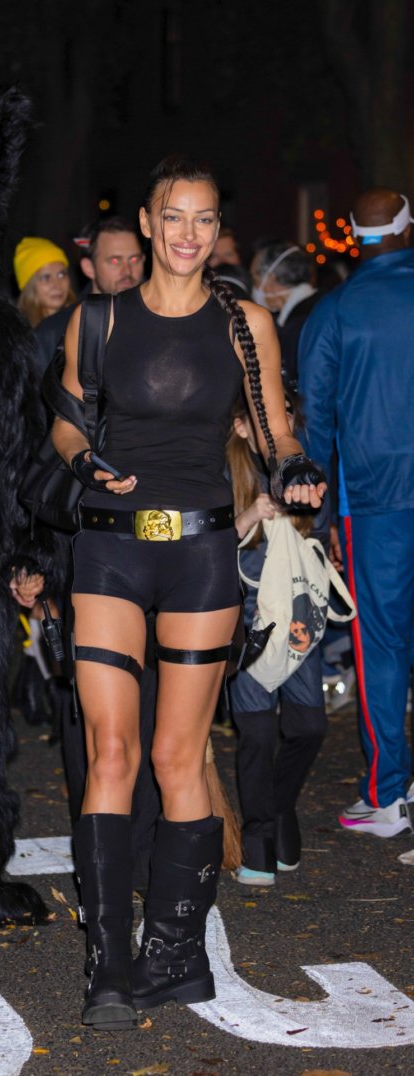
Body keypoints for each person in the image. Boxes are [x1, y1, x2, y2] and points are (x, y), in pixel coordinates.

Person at [50, 155, 326, 1030]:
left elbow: (276, 433)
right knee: (112, 754)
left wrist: (297, 474)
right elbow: (63, 420)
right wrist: (82, 457)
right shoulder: (96, 321)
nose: (188, 234)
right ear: (146, 220)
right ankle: (109, 963)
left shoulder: (245, 323)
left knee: (178, 759)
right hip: (108, 555)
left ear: (216, 231)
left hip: (202, 555)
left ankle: (175, 951)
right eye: (175, 216)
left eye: (205, 220)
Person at [299, 187, 414, 840]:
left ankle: (389, 793)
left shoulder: (333, 309)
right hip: (378, 494)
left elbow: (315, 421)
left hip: (373, 499)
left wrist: (313, 515)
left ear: (350, 234)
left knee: (382, 647)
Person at [227, 393, 328, 885]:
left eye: (285, 413)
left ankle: (280, 808)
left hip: (298, 614)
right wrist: (249, 515)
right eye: (264, 415)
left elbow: (321, 533)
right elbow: (196, 542)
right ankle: (258, 837)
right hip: (246, 622)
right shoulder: (222, 466)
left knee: (309, 727)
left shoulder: (303, 467)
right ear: (242, 427)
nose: (279, 422)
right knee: (258, 734)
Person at [33, 217, 145, 373]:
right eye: (114, 261)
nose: (127, 271)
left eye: (134, 259)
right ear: (89, 268)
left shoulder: (162, 322)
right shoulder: (53, 333)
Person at [250, 242, 321, 390]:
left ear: (270, 279)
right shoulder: (321, 307)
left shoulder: (299, 325)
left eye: (254, 277)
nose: (254, 287)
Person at [14, 237, 75, 328]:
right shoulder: (20, 336)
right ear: (30, 286)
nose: (57, 285)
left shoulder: (80, 323)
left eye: (61, 275)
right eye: (46, 278)